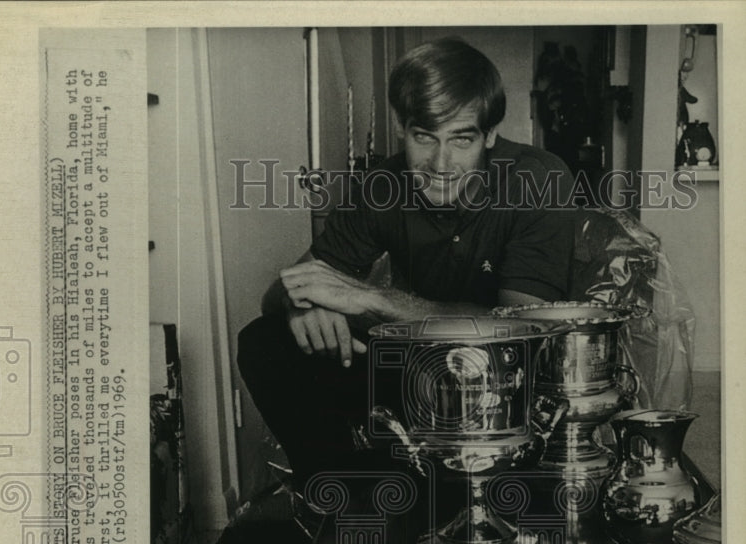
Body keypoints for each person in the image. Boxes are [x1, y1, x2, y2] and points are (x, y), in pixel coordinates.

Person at [237, 36, 576, 489]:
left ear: (490, 134)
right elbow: (280, 291)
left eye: (462, 139)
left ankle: (418, 487)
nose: (440, 162)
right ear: (402, 127)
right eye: (424, 137)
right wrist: (305, 304)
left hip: (506, 385)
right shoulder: (383, 185)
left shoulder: (538, 177)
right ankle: (345, 497)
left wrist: (369, 298)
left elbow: (520, 330)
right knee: (265, 341)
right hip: (414, 374)